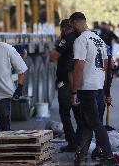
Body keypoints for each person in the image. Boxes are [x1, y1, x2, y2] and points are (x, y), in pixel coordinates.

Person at [69, 12, 117, 165]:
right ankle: (80, 157)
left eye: (72, 26)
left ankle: (109, 157)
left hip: (87, 87)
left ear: (75, 23)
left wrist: (74, 92)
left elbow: (79, 67)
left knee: (95, 123)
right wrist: (105, 90)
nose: (73, 29)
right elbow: (106, 66)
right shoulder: (99, 40)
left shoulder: (81, 40)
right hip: (98, 85)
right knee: (86, 123)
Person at [49, 19, 80, 152]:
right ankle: (81, 141)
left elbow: (53, 56)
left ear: (62, 29)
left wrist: (58, 41)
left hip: (65, 82)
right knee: (79, 114)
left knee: (65, 113)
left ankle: (72, 143)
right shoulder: (80, 38)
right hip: (79, 81)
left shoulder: (65, 39)